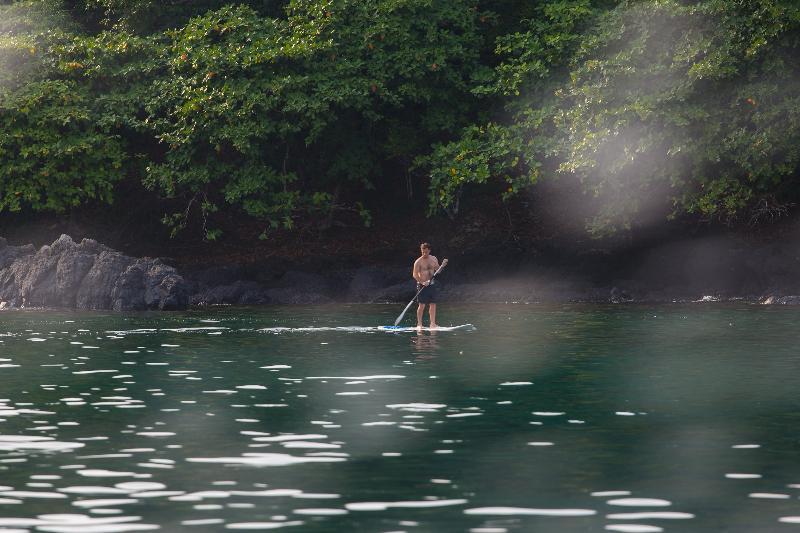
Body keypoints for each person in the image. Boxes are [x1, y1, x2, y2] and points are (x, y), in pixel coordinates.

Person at [412, 242, 447, 329]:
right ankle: (419, 324)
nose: (424, 254)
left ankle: (433, 324)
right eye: (422, 252)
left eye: (426, 252)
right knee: (422, 305)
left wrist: (442, 266)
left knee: (433, 304)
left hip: (432, 285)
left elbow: (438, 271)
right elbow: (414, 275)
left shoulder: (434, 259)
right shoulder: (418, 262)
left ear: (429, 251)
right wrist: (422, 282)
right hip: (422, 285)